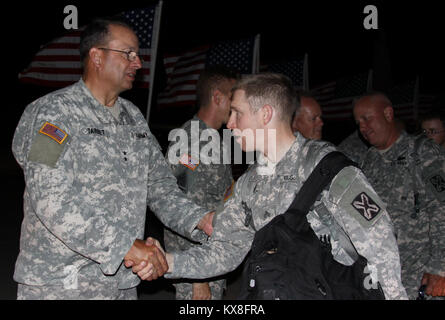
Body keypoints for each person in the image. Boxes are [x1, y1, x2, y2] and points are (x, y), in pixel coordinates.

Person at [132, 73, 408, 300]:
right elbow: (225, 250)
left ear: (265, 114)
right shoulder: (250, 184)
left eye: (237, 114)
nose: (229, 124)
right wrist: (167, 262)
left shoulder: (328, 169)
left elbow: (381, 249)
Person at [12, 18, 213, 300]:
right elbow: (49, 197)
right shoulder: (52, 113)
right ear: (96, 56)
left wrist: (200, 219)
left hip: (120, 284)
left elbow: (161, 187)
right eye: (128, 53)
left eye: (138, 55)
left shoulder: (134, 118)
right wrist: (125, 246)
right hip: (61, 284)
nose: (138, 63)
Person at [353, 92, 445, 299]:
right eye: (358, 122)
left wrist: (440, 268)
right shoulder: (367, 162)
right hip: (383, 276)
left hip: (422, 277)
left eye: (367, 118)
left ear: (388, 113)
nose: (363, 127)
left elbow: (442, 209)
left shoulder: (423, 153)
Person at [164, 66, 237, 300]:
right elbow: (180, 209)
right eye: (233, 98)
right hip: (198, 269)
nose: (237, 106)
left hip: (212, 261)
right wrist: (197, 278)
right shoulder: (191, 141)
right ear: (217, 97)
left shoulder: (212, 139)